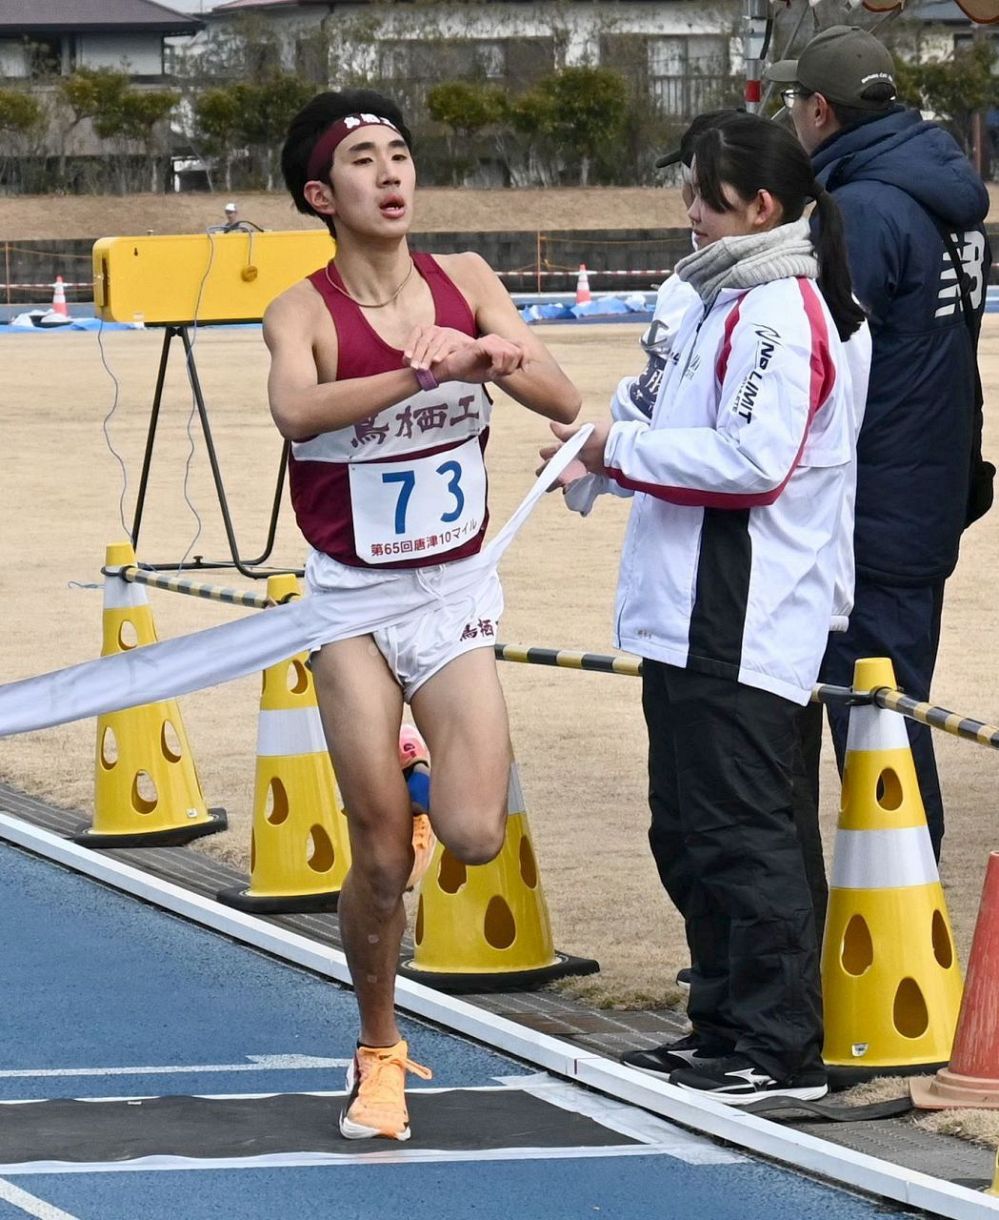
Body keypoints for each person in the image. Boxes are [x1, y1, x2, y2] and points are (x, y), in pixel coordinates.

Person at [264, 88, 580, 1141]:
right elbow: (295, 410)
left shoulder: (469, 280)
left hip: (450, 594)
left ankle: (416, 770)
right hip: (352, 604)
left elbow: (564, 400)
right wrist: (417, 371)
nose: (390, 172)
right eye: (362, 159)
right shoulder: (302, 311)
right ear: (322, 195)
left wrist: (499, 358)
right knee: (383, 857)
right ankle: (379, 1050)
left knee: (476, 833)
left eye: (399, 152)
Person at [542, 112, 870, 1104]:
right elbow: (659, 419)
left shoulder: (780, 310)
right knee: (687, 831)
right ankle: (722, 1024)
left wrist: (617, 451)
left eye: (704, 197)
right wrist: (598, 460)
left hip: (742, 614)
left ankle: (778, 1045)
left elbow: (753, 462)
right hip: (683, 611)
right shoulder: (708, 297)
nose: (688, 212)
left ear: (760, 208)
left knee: (743, 834)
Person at [766, 26, 993, 861]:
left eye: (793, 101)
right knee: (892, 700)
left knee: (875, 712)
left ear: (819, 111)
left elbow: (817, 362)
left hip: (868, 504)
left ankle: (900, 898)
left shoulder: (859, 211)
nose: (791, 116)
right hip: (926, 484)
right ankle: (897, 888)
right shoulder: (941, 195)